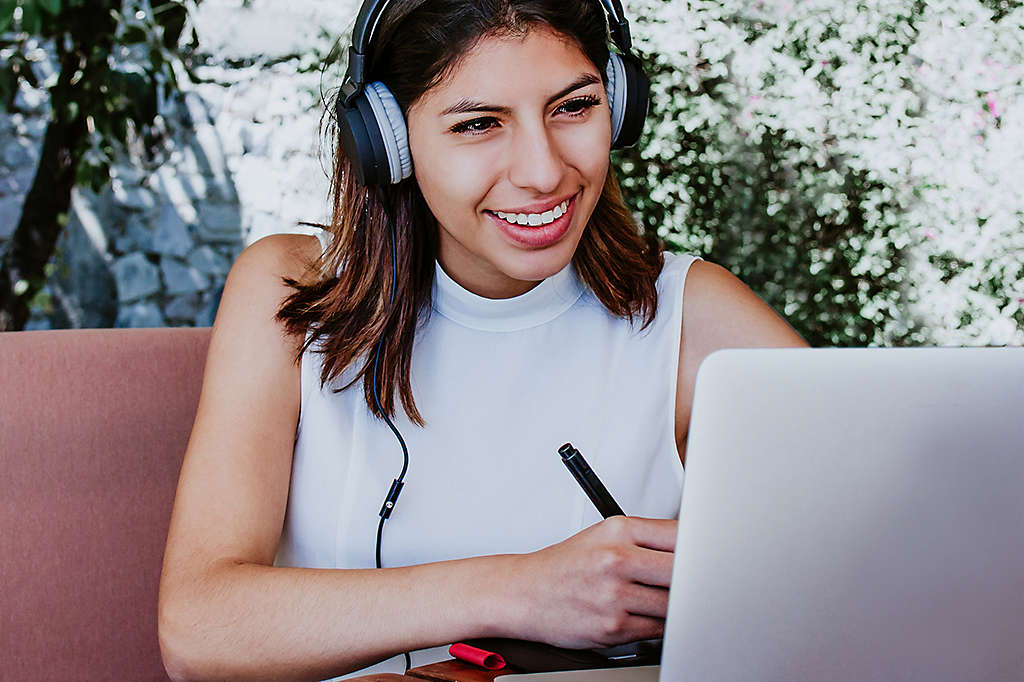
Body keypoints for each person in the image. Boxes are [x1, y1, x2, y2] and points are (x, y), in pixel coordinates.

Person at [157, 0, 808, 679]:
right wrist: (518, 591)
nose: (543, 172)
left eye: (572, 108)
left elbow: (889, 540)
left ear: (617, 103)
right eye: (477, 123)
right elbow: (198, 632)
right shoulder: (288, 290)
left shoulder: (693, 316)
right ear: (392, 141)